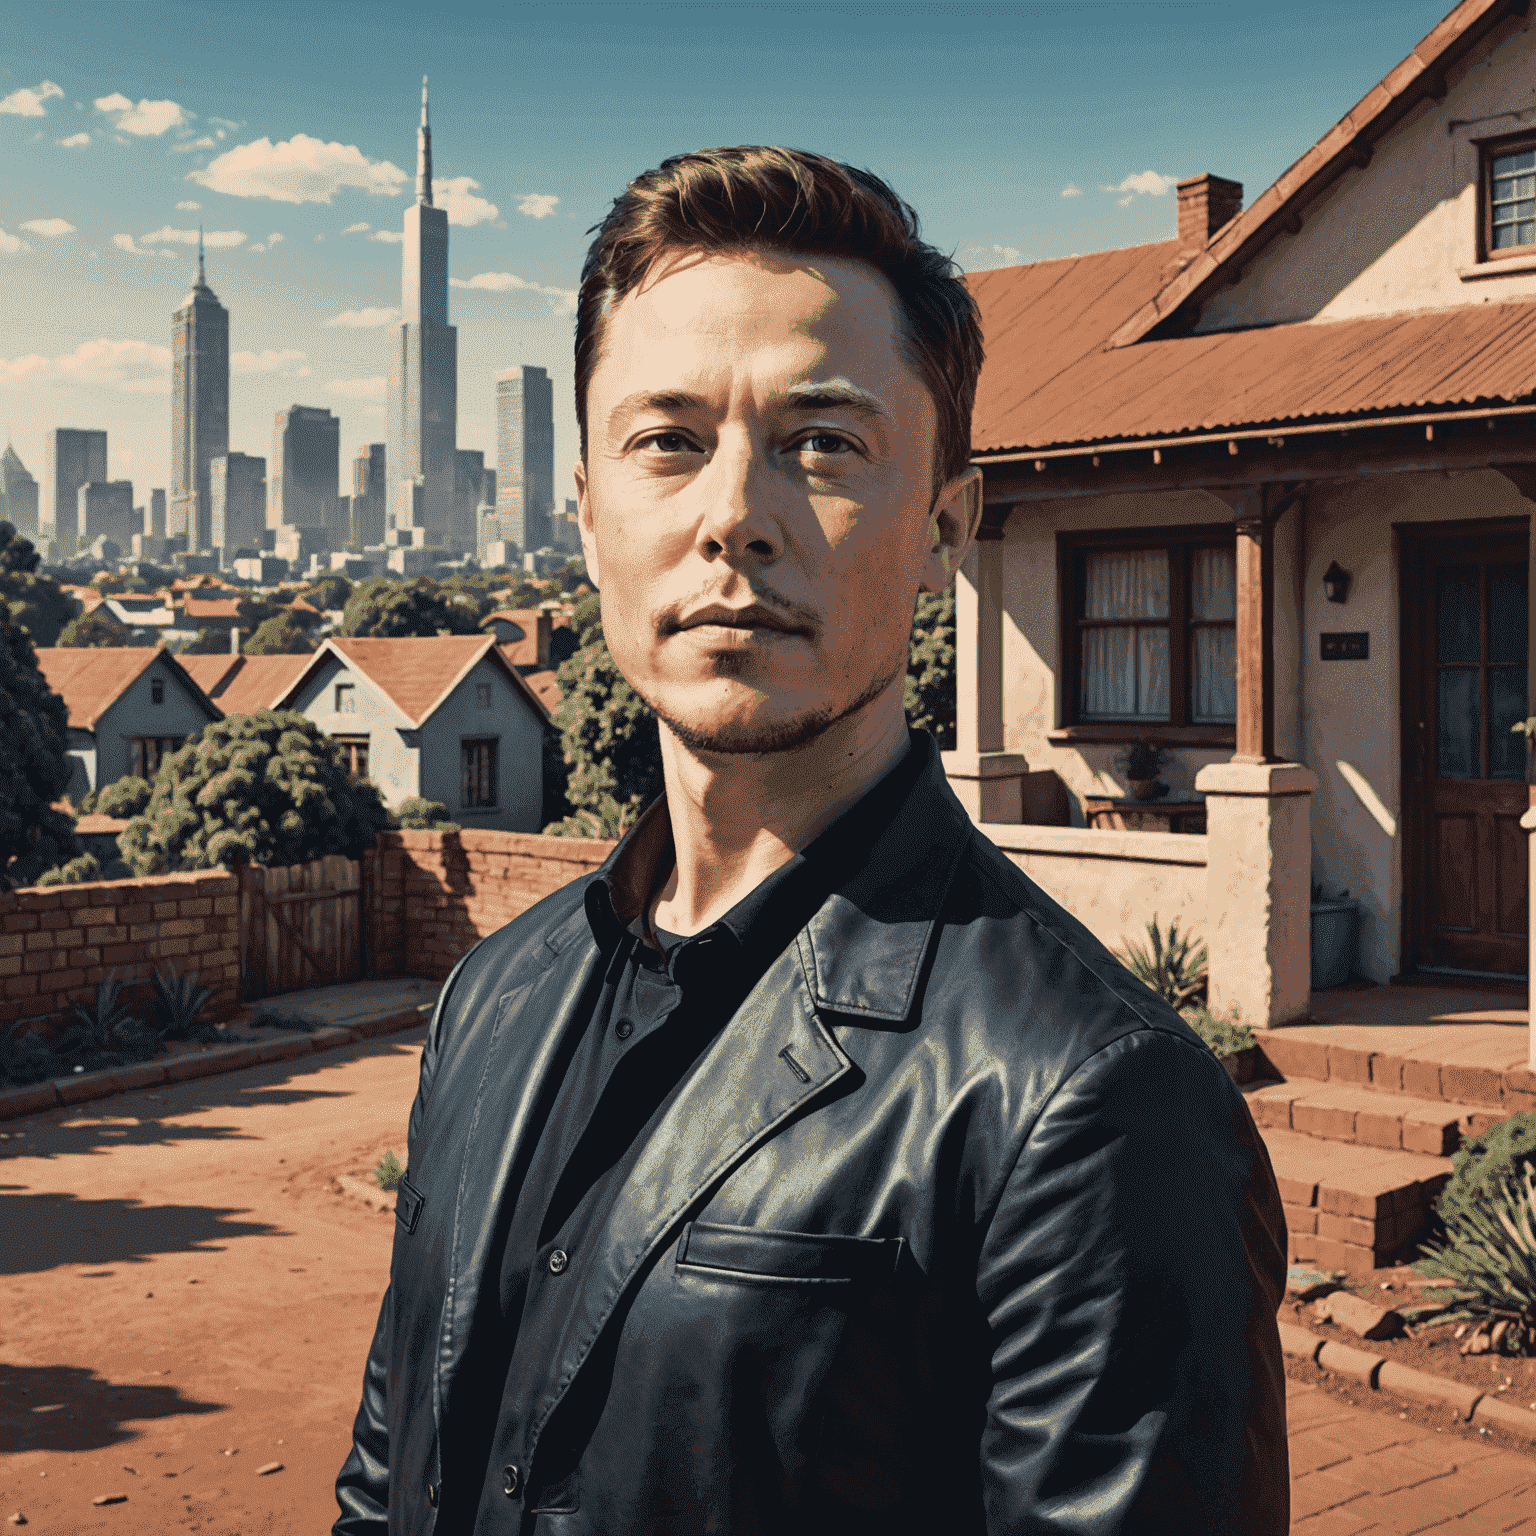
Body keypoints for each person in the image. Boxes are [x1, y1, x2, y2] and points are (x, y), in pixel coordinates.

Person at [334, 146, 1288, 1536]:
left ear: (944, 527)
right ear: (589, 520)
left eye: (824, 445)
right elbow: (387, 1480)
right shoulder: (494, 995)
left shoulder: (1088, 1107)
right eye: (668, 442)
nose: (734, 519)